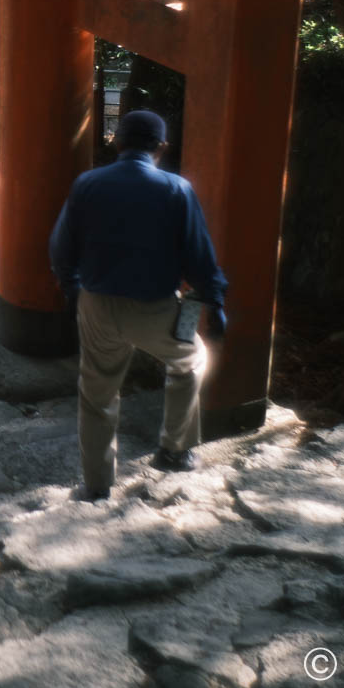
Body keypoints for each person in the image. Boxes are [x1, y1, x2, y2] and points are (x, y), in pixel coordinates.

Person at [47, 109, 227, 502]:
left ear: (116, 140)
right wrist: (214, 298)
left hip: (96, 304)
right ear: (161, 147)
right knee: (191, 361)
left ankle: (96, 485)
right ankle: (174, 449)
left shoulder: (87, 184)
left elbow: (61, 246)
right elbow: (199, 257)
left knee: (97, 393)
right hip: (155, 309)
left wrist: (71, 287)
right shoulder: (176, 189)